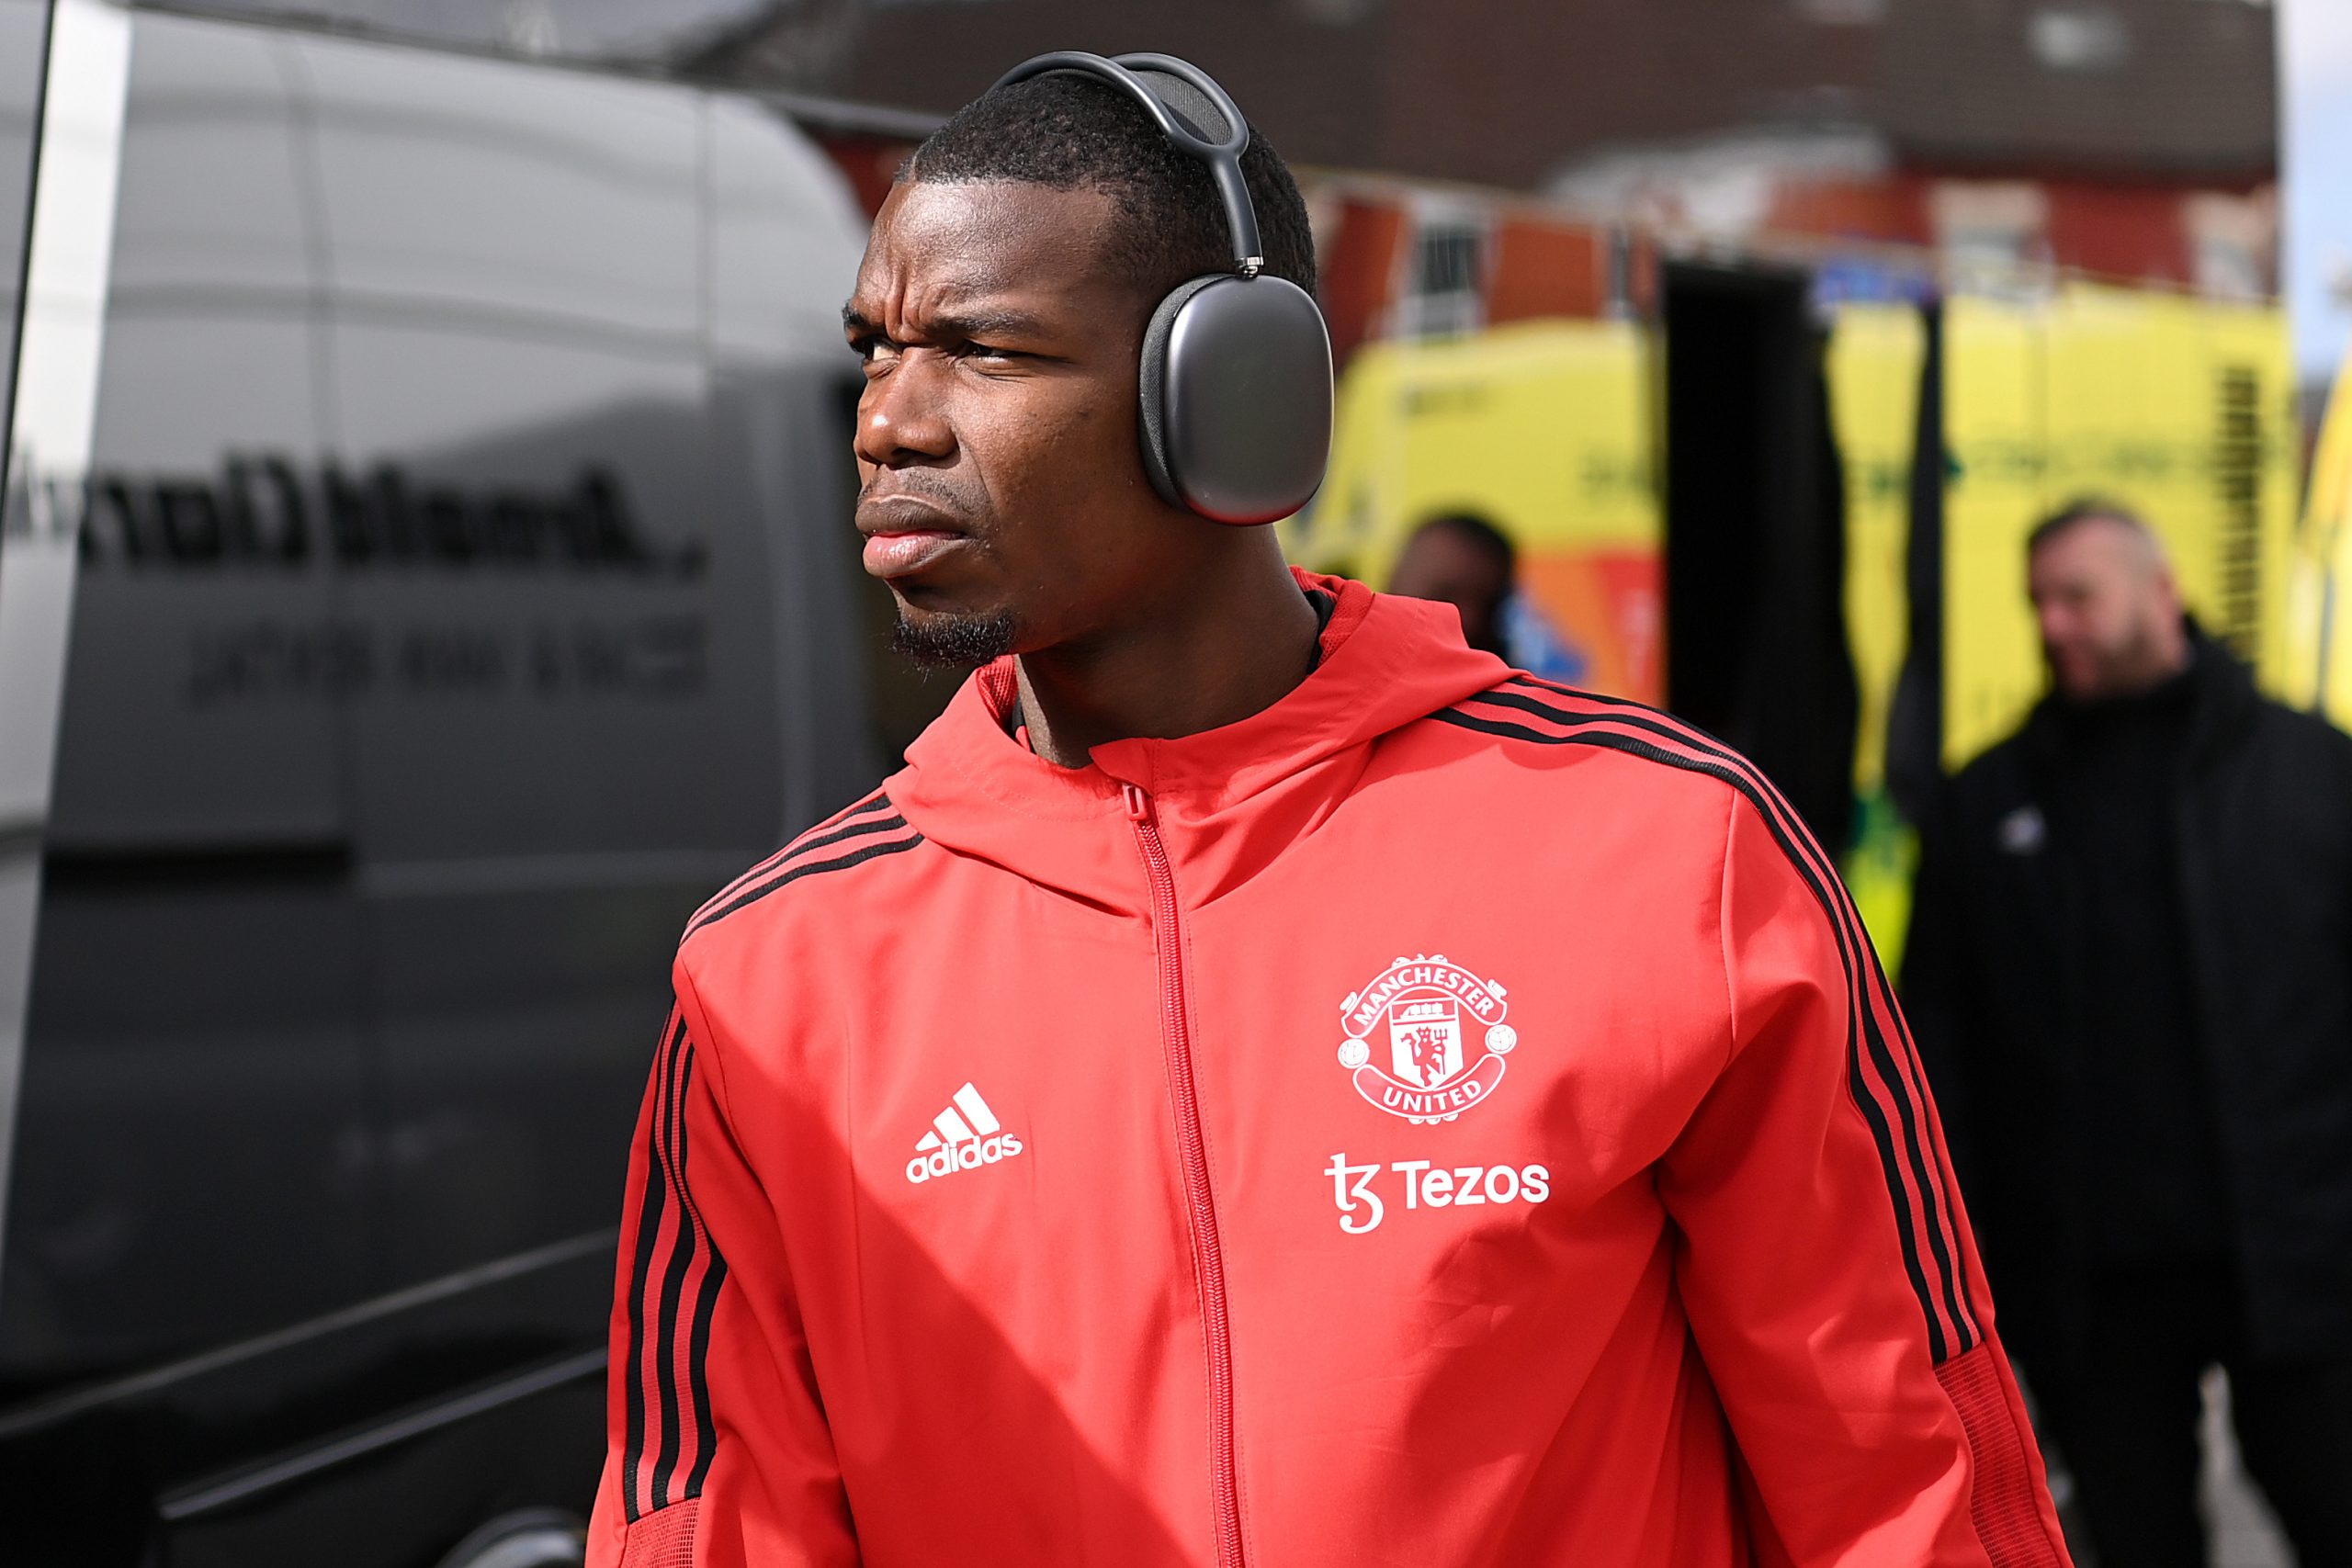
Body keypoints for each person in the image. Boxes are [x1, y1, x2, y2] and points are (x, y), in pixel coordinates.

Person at [587, 53, 2070, 1568]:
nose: (888, 421)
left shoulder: (1669, 855)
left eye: (979, 346)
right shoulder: (772, 980)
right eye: (875, 348)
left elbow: (1905, 1484)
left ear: (1233, 395)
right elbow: (710, 1529)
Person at [1904, 500, 2352, 1567]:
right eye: (2037, 605)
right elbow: (1938, 1052)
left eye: (2077, 597)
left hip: (2300, 1256)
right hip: (2090, 1292)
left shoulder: (2310, 773)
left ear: (2162, 592)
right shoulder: (1990, 802)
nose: (2054, 625)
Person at [1387, 512, 1588, 679]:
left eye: (1488, 604)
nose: (1468, 619)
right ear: (1395, 579)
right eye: (1445, 594)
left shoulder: (1511, 701)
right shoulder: (1358, 678)